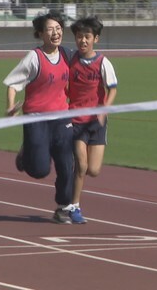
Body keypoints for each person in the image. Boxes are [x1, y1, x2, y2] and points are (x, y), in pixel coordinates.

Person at [3, 10, 75, 224]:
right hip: (36, 118)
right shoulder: (34, 57)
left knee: (66, 165)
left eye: (59, 28)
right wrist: (10, 107)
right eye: (51, 29)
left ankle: (63, 207)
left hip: (62, 118)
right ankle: (28, 154)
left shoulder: (68, 55)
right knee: (39, 170)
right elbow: (13, 84)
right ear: (41, 34)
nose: (56, 33)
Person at [66, 16, 118, 224]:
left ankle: (67, 184)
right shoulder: (70, 60)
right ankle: (74, 207)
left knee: (93, 170)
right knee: (81, 165)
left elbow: (112, 88)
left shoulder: (103, 62)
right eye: (79, 37)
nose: (83, 41)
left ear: (95, 39)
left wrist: (105, 108)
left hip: (97, 122)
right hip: (76, 120)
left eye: (87, 37)